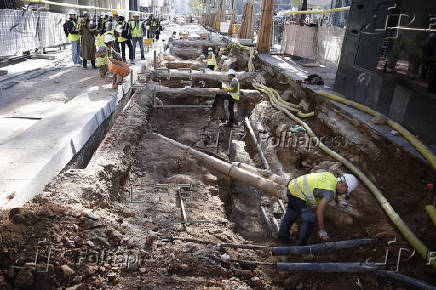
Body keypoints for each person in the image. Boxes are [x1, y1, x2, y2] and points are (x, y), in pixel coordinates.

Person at [277, 172, 359, 245]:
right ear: (343, 185)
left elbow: (333, 190)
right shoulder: (330, 192)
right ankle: (302, 247)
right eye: (346, 191)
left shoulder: (331, 177)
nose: (345, 193)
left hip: (293, 186)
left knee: (292, 212)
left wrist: (338, 202)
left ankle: (282, 237)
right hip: (298, 194)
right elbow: (319, 211)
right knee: (309, 220)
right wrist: (322, 230)